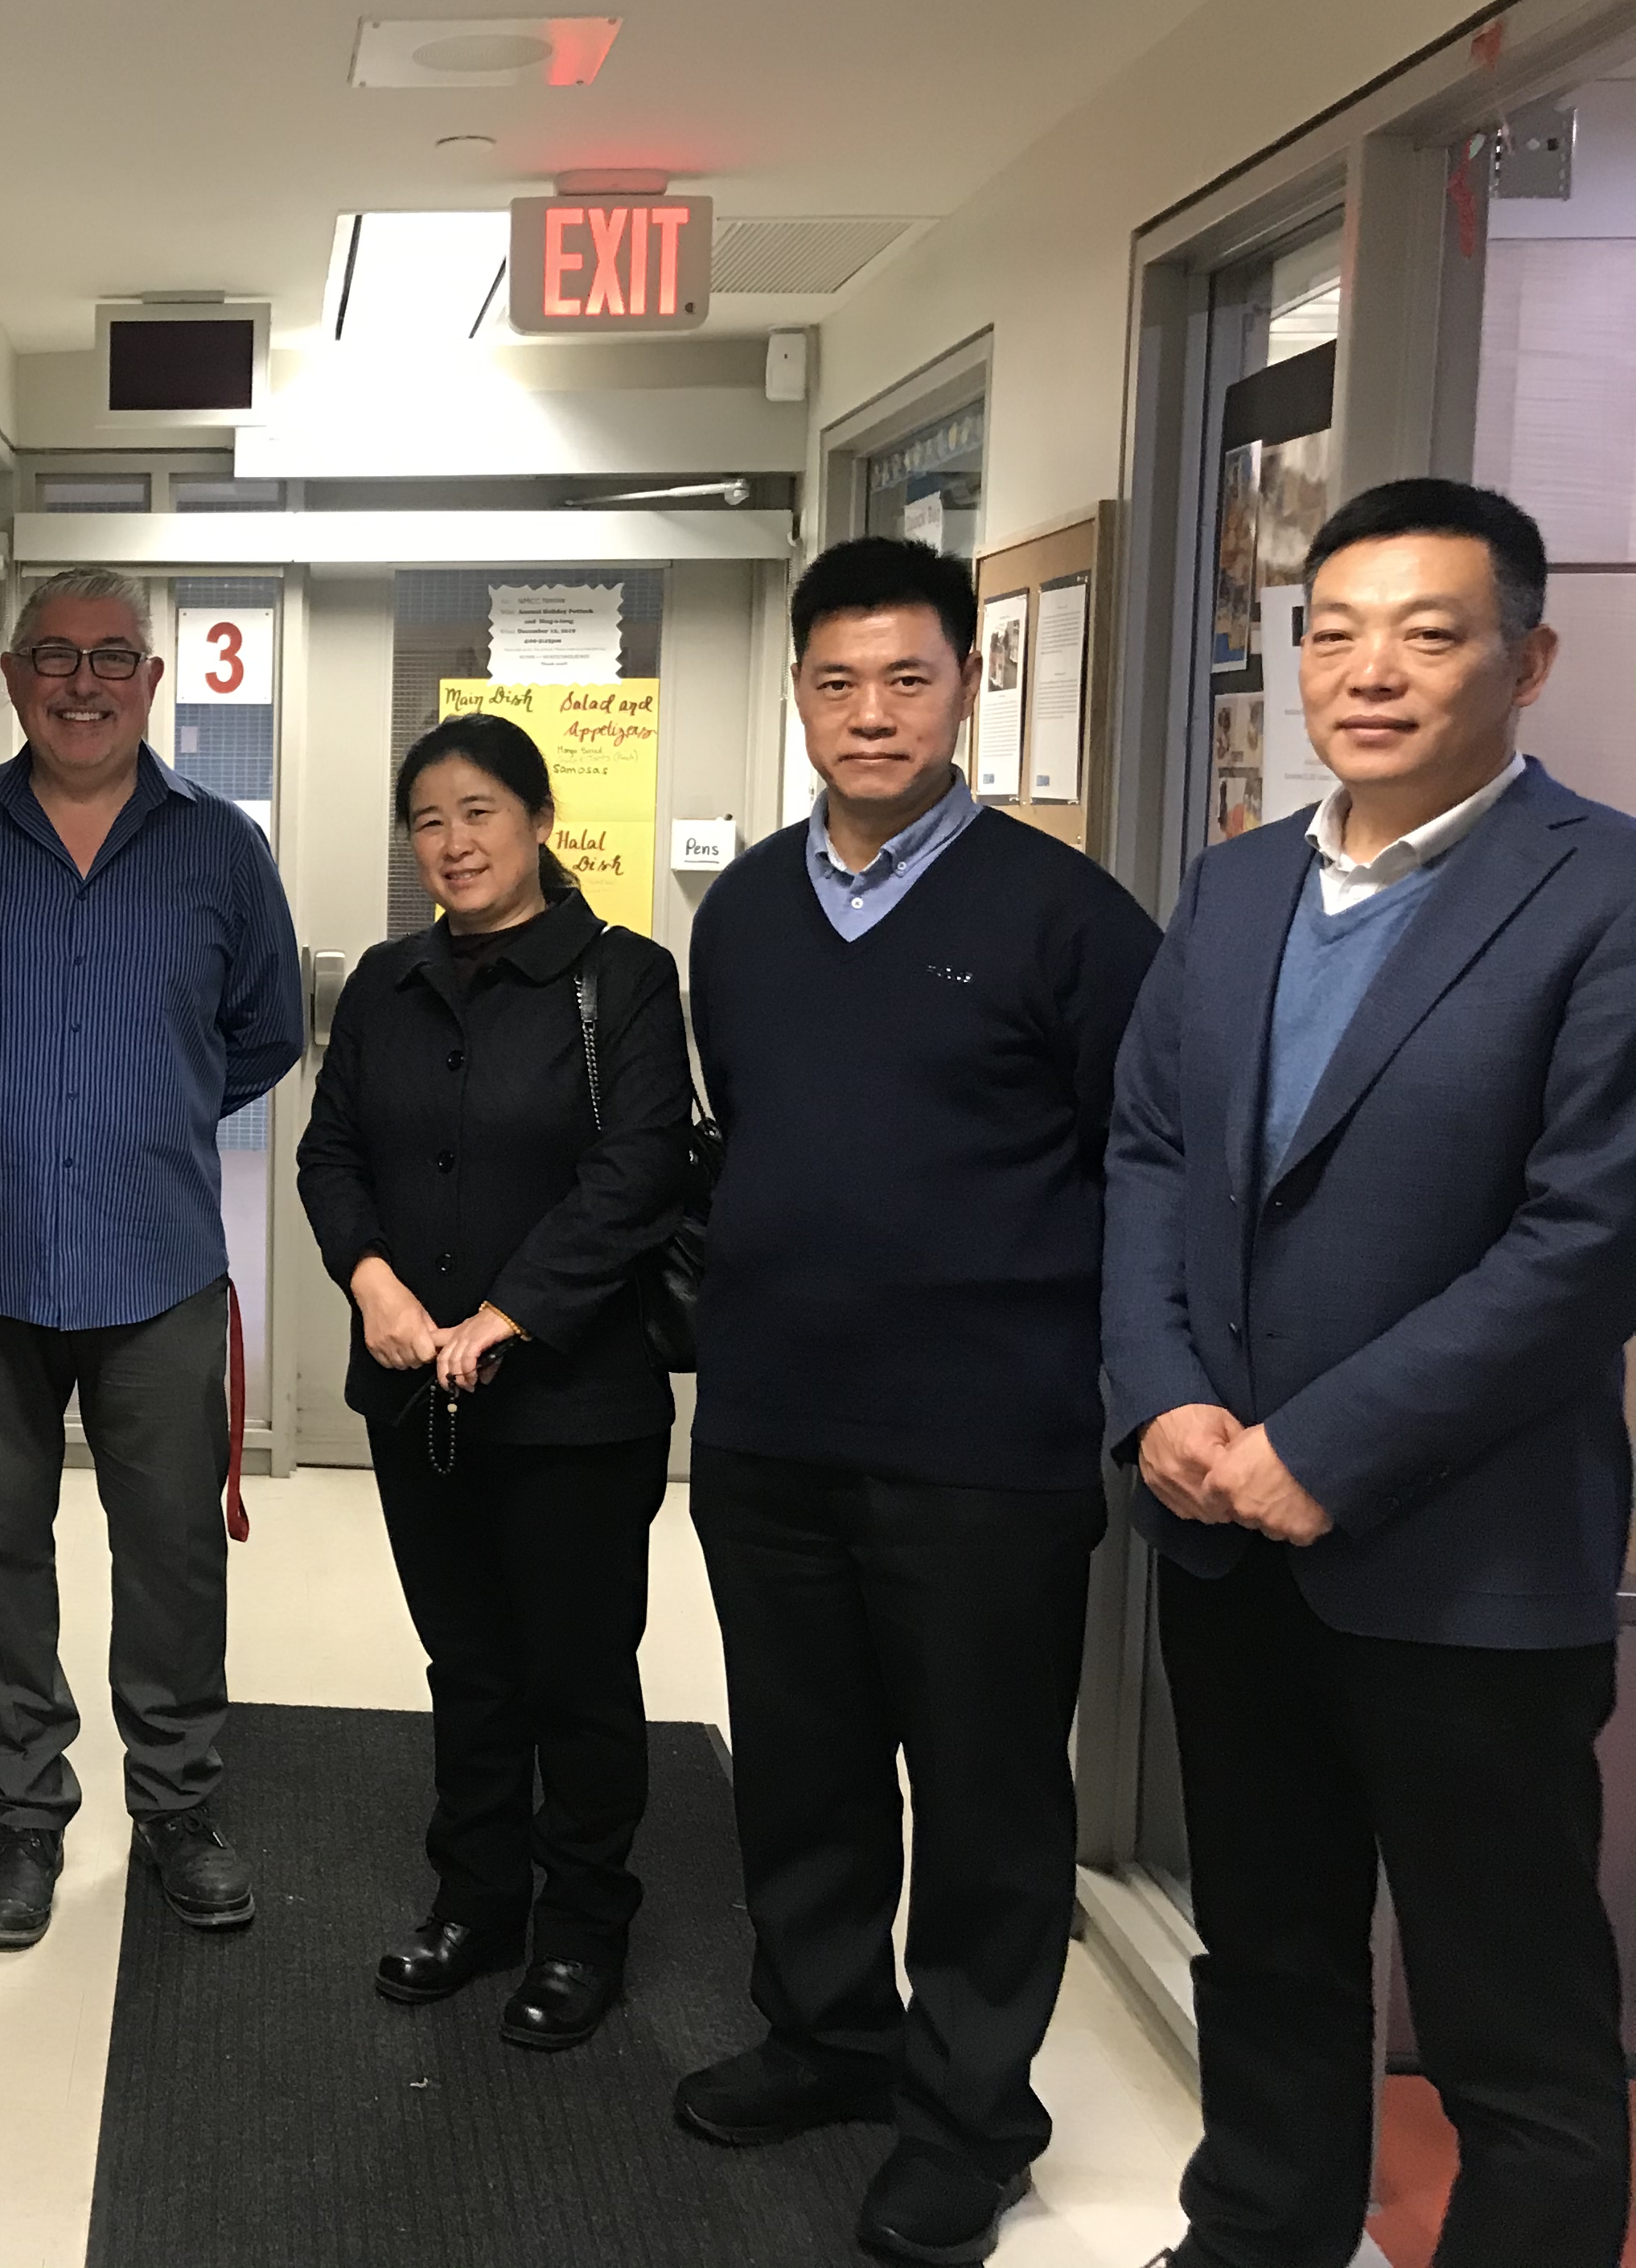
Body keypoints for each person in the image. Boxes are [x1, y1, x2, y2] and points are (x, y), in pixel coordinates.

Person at [1105, 478, 1636, 2268]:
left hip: (1470, 1558)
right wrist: (1161, 1393)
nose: (1371, 672)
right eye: (1332, 634)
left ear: (1526, 661)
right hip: (1224, 1534)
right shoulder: (1243, 882)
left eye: (1429, 634)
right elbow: (1151, 1156)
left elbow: (1590, 1240)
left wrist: (1326, 1447)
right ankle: (1256, 2233)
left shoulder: (1606, 893)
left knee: (1510, 2004)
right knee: (1268, 1945)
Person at [680, 533, 1161, 2268]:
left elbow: (1142, 1167)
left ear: (967, 685)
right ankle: (829, 2038)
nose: (870, 713)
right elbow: (755, 1130)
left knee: (986, 1801)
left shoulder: (1070, 919)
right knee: (800, 1773)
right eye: (837, 681)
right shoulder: (742, 912)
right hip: (770, 1432)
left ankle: (970, 2119)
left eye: (907, 678)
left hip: (985, 1451)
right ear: (798, 694)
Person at [0, 568, 303, 1949]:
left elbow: (268, 1029)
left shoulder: (220, 849)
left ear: (153, 681)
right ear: (13, 677)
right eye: (55, 656)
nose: (83, 683)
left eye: (112, 658)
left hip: (157, 1266)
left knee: (173, 1552)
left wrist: (146, 1109)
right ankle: (26, 1812)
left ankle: (178, 1806)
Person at [294, 713, 689, 2049]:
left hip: (576, 1404)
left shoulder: (622, 979)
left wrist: (510, 1316)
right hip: (418, 1393)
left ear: (538, 820)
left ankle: (583, 1927)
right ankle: (476, 1899)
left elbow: (638, 1173)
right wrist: (375, 1284)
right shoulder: (387, 983)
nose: (454, 843)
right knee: (466, 1662)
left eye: (479, 813)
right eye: (428, 821)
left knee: (576, 1671)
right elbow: (331, 1154)